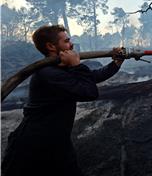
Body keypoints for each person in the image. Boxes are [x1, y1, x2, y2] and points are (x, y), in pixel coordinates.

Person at [1, 25, 124, 176]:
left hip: (57, 143)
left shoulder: (60, 69)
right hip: (32, 147)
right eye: (66, 41)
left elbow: (92, 77)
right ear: (51, 46)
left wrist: (117, 61)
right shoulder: (48, 73)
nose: (71, 45)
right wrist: (77, 65)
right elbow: (89, 92)